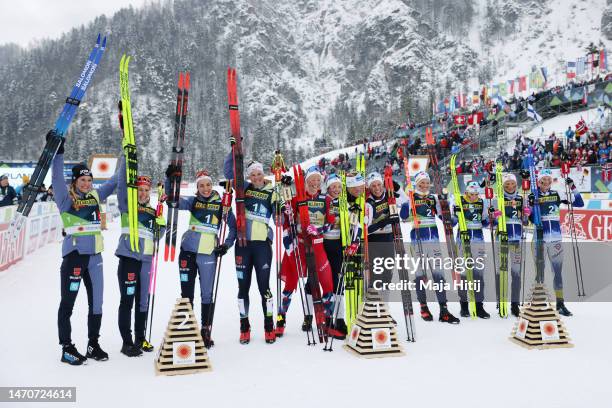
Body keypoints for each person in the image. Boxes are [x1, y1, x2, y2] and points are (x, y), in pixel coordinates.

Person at [52, 134, 121, 366]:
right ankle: (67, 347)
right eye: (83, 181)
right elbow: (56, 176)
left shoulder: (95, 195)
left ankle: (93, 343)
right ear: (75, 181)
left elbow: (115, 181)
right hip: (74, 258)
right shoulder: (65, 198)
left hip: (95, 258)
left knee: (97, 302)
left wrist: (129, 157)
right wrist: (58, 152)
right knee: (68, 303)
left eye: (89, 180)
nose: (87, 184)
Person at [164, 166, 236, 347]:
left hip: (208, 254)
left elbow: (234, 228)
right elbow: (173, 201)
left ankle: (206, 330)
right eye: (202, 185)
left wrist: (226, 245)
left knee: (206, 294)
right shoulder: (193, 201)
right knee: (187, 294)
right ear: (197, 188)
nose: (205, 188)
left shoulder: (222, 205)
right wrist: (169, 180)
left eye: (208, 185)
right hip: (187, 251)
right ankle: (188, 329)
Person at [223, 155, 279, 345]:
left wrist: (280, 207)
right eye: (253, 174)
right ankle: (244, 326)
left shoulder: (273, 191)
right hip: (242, 246)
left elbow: (279, 221)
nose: (256, 177)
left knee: (265, 288)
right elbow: (229, 173)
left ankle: (269, 325)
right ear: (249, 176)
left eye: (259, 174)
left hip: (262, 246)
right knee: (243, 288)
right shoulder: (244, 188)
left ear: (264, 174)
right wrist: (233, 152)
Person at [115, 151, 166, 357]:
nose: (143, 193)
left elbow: (160, 234)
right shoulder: (127, 206)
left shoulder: (155, 212)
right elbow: (120, 185)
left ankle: (140, 337)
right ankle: (126, 342)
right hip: (129, 259)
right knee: (127, 300)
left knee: (143, 301)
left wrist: (161, 221)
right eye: (140, 190)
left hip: (146, 261)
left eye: (146, 190)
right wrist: (126, 160)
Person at [277, 166, 335, 336]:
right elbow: (286, 220)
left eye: (318, 180)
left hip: (317, 245)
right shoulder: (296, 199)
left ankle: (326, 318)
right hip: (299, 246)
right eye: (312, 179)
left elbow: (331, 222)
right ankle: (281, 319)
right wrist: (284, 212)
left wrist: (318, 230)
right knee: (290, 285)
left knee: (327, 283)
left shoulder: (326, 200)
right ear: (306, 181)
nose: (315, 183)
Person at [400, 171, 460, 324]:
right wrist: (407, 204)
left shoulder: (433, 198)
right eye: (422, 183)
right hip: (417, 239)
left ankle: (444, 310)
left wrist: (453, 217)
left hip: (433, 240)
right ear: (416, 183)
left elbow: (443, 217)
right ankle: (423, 306)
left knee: (438, 274)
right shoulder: (411, 198)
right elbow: (404, 217)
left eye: (427, 182)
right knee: (420, 274)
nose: (425, 185)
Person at [528, 169, 584, 316]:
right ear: (538, 182)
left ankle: (560, 303)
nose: (545, 182)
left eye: (548, 179)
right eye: (542, 180)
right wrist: (533, 205)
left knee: (557, 272)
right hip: (539, 240)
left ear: (551, 181)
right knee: (539, 273)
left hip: (556, 240)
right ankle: (539, 303)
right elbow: (531, 220)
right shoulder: (533, 195)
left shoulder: (557, 194)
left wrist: (572, 187)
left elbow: (579, 203)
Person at [490, 173, 531, 317]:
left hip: (517, 240)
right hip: (502, 239)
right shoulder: (497, 199)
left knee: (516, 273)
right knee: (501, 271)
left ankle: (514, 304)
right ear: (503, 186)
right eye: (507, 184)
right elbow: (491, 222)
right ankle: (500, 301)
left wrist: (526, 214)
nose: (510, 186)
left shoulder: (521, 198)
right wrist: (494, 216)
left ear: (516, 184)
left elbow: (526, 220)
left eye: (512, 183)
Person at [451, 181, 490, 319]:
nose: (473, 197)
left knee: (478, 275)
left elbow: (485, 222)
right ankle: (464, 306)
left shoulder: (482, 202)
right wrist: (454, 214)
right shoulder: (459, 200)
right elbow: (453, 223)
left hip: (478, 241)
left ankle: (479, 307)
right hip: (462, 241)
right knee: (463, 275)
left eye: (475, 194)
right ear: (466, 193)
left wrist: (493, 217)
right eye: (470, 194)